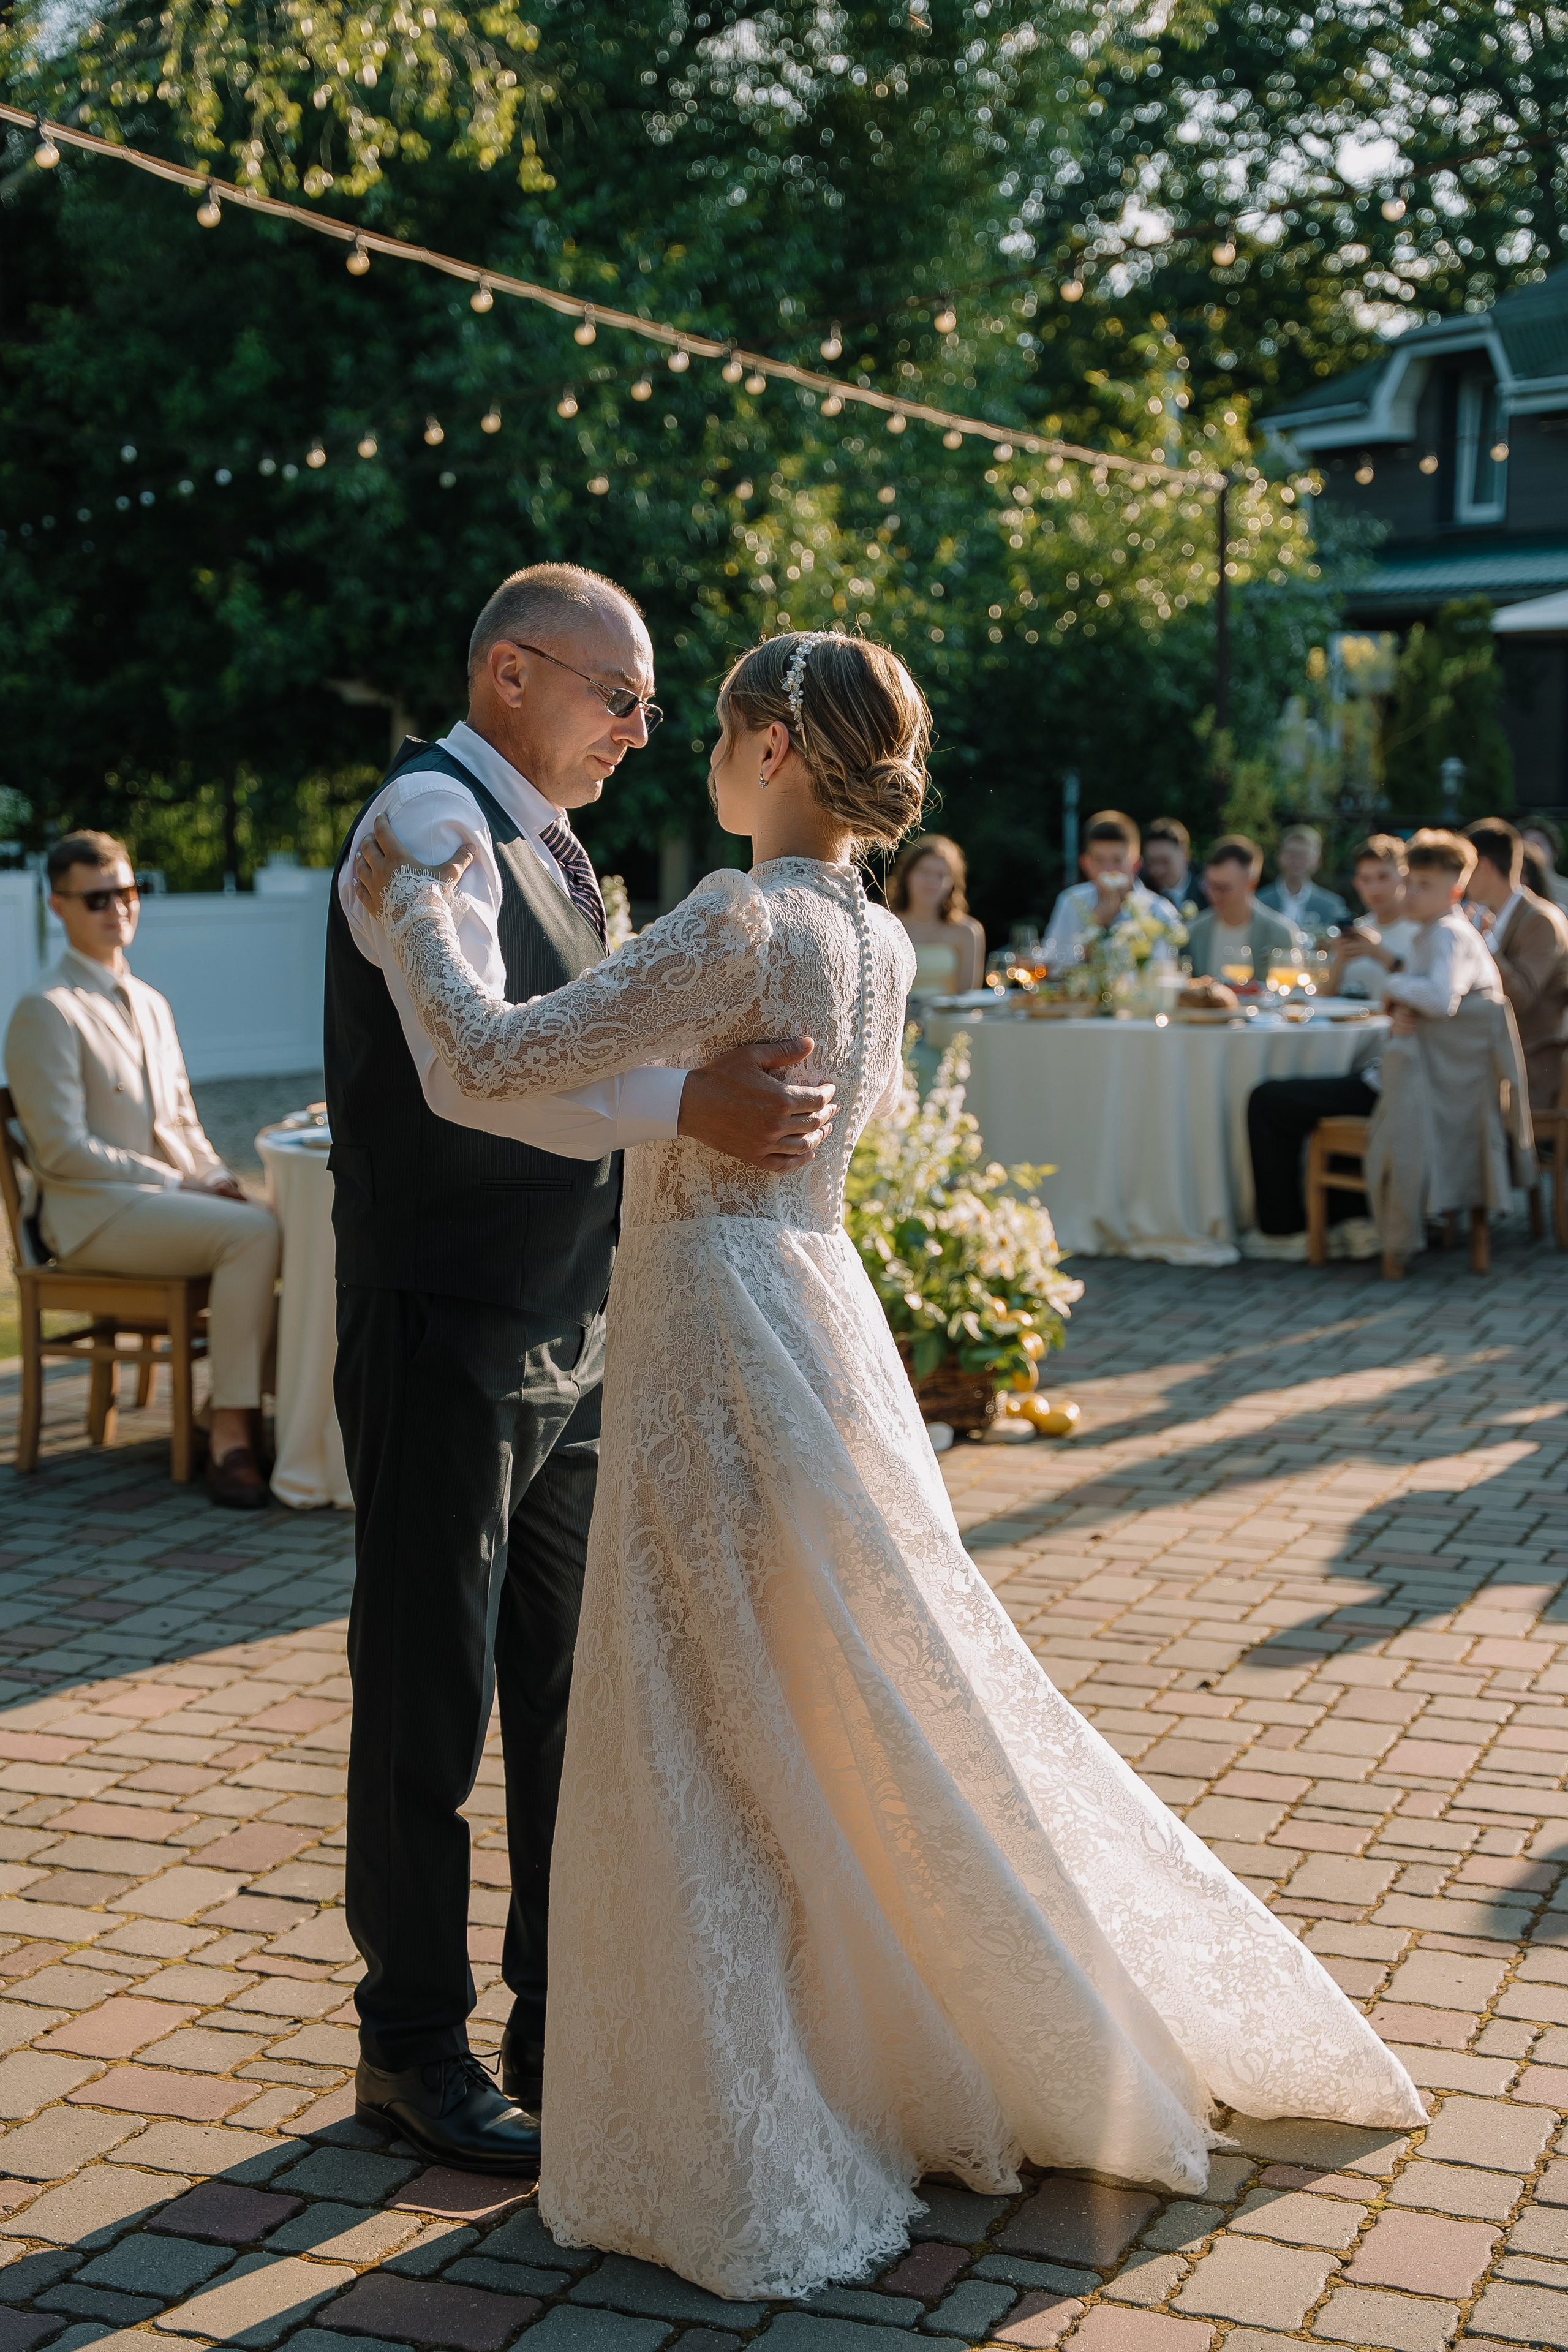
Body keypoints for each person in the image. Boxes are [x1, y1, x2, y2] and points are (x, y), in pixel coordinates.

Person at [355, 628, 1422, 2301]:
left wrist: (404, 900)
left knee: (701, 1712)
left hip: (712, 1323)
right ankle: (892, 2032)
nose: (691, 749)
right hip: (819, 1309)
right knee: (841, 1691)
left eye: (711, 727)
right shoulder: (872, 936)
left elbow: (490, 1057)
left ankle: (747, 2099)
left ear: (773, 746)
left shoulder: (733, 916)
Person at [326, 563, 840, 2176]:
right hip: (447, 1312)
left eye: (651, 704)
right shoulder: (426, 828)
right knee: (430, 1689)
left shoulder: (553, 842)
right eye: (617, 695)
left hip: (571, 1316)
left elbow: (587, 1040)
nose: (641, 727)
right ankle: (411, 2040)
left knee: (566, 1691)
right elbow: (469, 1065)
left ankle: (559, 2015)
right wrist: (689, 1107)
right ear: (509, 676)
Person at [4, 832, 279, 1509]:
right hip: (90, 1215)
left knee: (287, 1227)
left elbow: (181, 1121)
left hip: (157, 1207)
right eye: (97, 898)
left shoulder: (151, 1002)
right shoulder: (47, 1009)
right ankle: (233, 1436)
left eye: (127, 893)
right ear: (57, 907)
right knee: (253, 1238)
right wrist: (181, 1184)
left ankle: (227, 1407)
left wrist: (216, 1176)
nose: (117, 909)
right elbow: (61, 1151)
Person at [1246, 829, 1504, 1243]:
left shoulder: (1447, 935)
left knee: (1267, 1100)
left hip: (1414, 1084)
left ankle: (1286, 1229)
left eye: (1419, 885)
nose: (1410, 894)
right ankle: (1334, 1213)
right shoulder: (1432, 933)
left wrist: (1393, 989)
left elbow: (1440, 999)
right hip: (1407, 1072)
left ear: (1455, 892)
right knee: (1285, 1097)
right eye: (1412, 883)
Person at [1464, 817, 1568, 1112]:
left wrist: (1480, 942)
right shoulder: (1481, 915)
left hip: (1527, 1071)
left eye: (1462, 869)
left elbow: (1519, 998)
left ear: (1482, 867)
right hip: (1486, 1058)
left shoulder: (1543, 920)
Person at [1041, 809, 1180, 968]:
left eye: (1118, 860)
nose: (1108, 869)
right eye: (1099, 860)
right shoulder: (1071, 901)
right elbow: (1051, 967)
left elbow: (1164, 975)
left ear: (1136, 865)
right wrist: (1096, 924)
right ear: (1086, 864)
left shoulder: (1159, 912)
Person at [1185, 835, 1301, 981]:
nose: (1213, 895)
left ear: (1251, 885)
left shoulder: (1281, 933)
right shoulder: (1193, 931)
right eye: (1209, 885)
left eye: (1223, 888)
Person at [886, 832, 986, 995]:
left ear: (953, 884)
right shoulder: (886, 927)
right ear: (906, 876)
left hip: (948, 1021)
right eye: (924, 872)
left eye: (941, 875)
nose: (931, 882)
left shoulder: (968, 932)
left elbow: (968, 1000)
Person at [1328, 835, 1420, 1001]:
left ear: (1404, 878)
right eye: (1366, 879)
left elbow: (1429, 992)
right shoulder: (1356, 931)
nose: (1374, 889)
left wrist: (1379, 953)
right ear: (1357, 883)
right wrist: (1339, 960)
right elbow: (1322, 997)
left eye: (1383, 877)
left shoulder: (1422, 929)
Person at [1258, 824, 1349, 932]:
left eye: (1304, 856)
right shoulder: (1259, 903)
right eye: (1291, 854)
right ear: (1279, 856)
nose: (1296, 862)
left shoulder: (1333, 906)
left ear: (1318, 861)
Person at [1140, 816, 1205, 915]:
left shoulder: (1207, 888)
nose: (1158, 870)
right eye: (1151, 862)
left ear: (1186, 856)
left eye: (1165, 861)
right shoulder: (1141, 890)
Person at [1522, 814, 1568, 914]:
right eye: (1527, 845)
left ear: (1554, 852)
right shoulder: (1518, 895)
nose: (1533, 851)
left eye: (1538, 844)